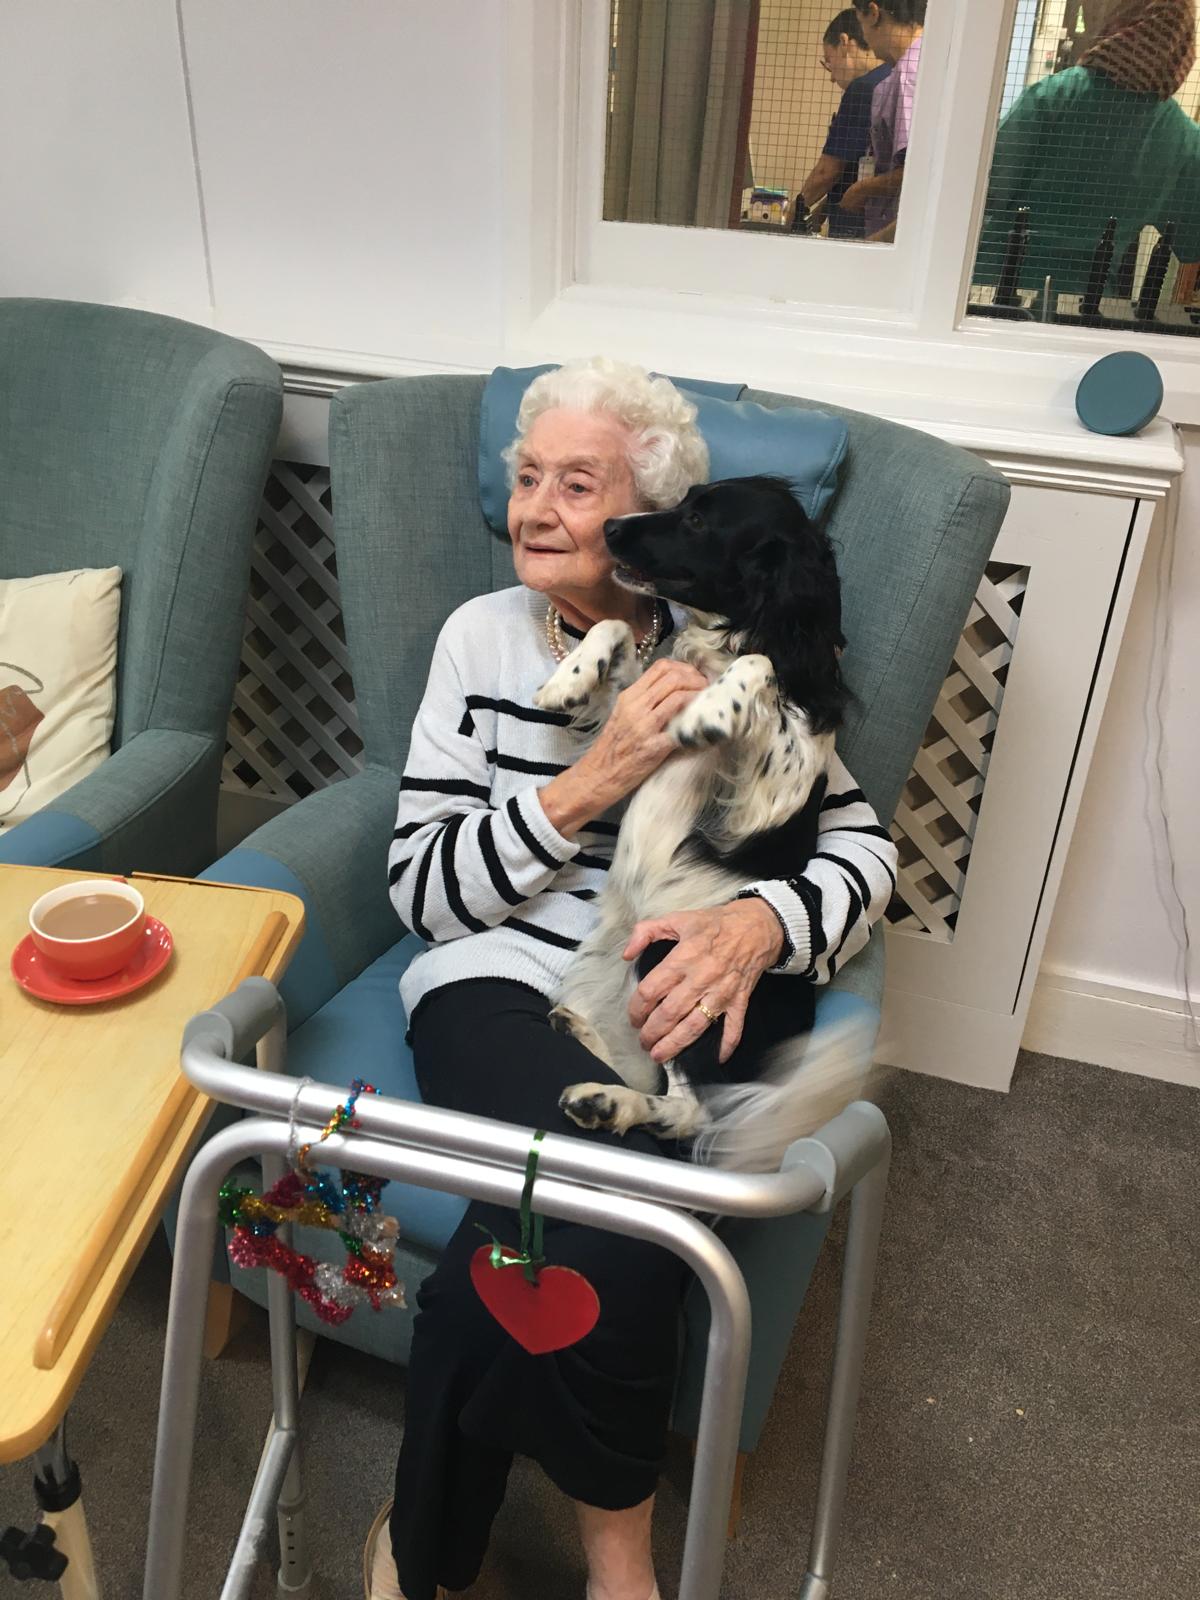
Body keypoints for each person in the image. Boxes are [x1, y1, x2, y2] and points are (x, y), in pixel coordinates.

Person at [365, 357, 898, 1600]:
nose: (538, 507)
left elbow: (864, 849)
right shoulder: (479, 641)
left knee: (537, 1231)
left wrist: (763, 922)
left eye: (578, 483)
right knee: (622, 1198)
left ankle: (433, 1552)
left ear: (648, 514)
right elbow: (423, 893)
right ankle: (623, 1554)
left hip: (670, 975)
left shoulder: (730, 639)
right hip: (502, 975)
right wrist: (588, 780)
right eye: (527, 478)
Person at [975, 0, 1200, 301]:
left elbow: (983, 191)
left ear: (1117, 24)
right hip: (1087, 303)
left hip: (993, 286)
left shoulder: (1056, 95)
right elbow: (1190, 243)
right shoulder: (1184, 140)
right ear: (1183, 46)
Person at [794, 9, 892, 240]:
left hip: (858, 226)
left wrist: (795, 210)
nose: (832, 77)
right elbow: (854, 168)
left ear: (844, 42)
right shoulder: (892, 77)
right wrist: (823, 210)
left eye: (829, 61)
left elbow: (827, 171)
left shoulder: (864, 89)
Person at [837, 0, 926, 240]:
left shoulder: (910, 74)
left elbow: (918, 170)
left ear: (873, 14)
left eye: (860, 20)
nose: (864, 35)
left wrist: (862, 189)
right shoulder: (905, 70)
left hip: (899, 235)